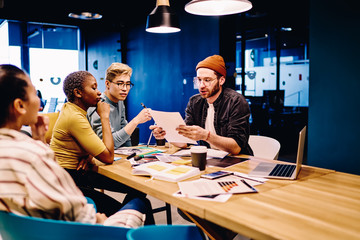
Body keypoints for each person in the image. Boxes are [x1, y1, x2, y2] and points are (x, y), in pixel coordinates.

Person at [0, 64, 147, 228]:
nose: (39, 101)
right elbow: (76, 211)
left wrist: (40, 140)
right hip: (78, 228)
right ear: (20, 106)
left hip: (27, 230)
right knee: (141, 203)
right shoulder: (35, 154)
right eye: (35, 93)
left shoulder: (13, 149)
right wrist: (98, 219)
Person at [49, 70, 154, 224]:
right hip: (71, 180)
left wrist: (88, 154)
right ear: (78, 92)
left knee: (138, 187)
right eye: (93, 88)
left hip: (78, 172)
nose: (99, 93)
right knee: (140, 203)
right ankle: (123, 222)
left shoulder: (71, 109)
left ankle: (124, 221)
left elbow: (87, 144)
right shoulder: (75, 117)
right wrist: (105, 117)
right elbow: (108, 157)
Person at [151, 55, 253, 155]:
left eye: (207, 80)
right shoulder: (195, 102)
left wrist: (206, 136)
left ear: (221, 80)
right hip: (210, 159)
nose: (202, 86)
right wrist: (166, 134)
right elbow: (186, 141)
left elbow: (236, 148)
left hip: (238, 161)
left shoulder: (236, 101)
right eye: (199, 80)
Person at [87, 62, 151, 149]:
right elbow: (109, 144)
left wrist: (131, 153)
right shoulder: (97, 105)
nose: (125, 89)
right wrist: (136, 121)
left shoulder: (120, 102)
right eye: (120, 84)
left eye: (127, 84)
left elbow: (126, 137)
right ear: (107, 84)